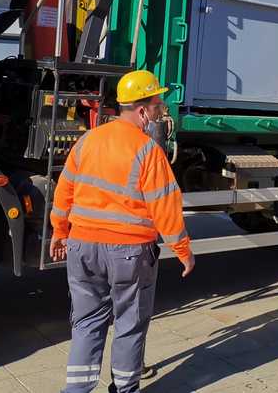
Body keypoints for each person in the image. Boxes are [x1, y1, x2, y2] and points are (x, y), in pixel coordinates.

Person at [49, 70, 195, 393]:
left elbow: (64, 192)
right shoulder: (148, 151)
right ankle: (125, 389)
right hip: (128, 254)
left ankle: (76, 391)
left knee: (86, 324)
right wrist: (183, 252)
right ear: (142, 110)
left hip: (82, 248)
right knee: (129, 324)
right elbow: (165, 207)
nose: (160, 111)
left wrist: (59, 231)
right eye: (157, 104)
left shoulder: (87, 141)